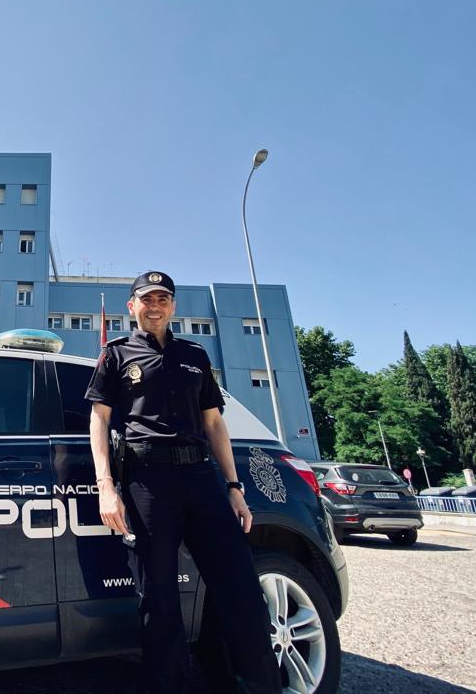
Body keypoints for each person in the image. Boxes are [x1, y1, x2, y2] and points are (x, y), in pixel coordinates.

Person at [86, 271, 280, 694]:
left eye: (163, 298)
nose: (155, 305)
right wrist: (106, 486)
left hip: (201, 479)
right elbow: (98, 419)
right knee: (160, 600)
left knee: (241, 590)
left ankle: (263, 686)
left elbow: (214, 423)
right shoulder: (116, 355)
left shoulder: (195, 354)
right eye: (146, 298)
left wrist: (233, 487)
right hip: (148, 482)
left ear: (172, 306)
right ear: (132, 306)